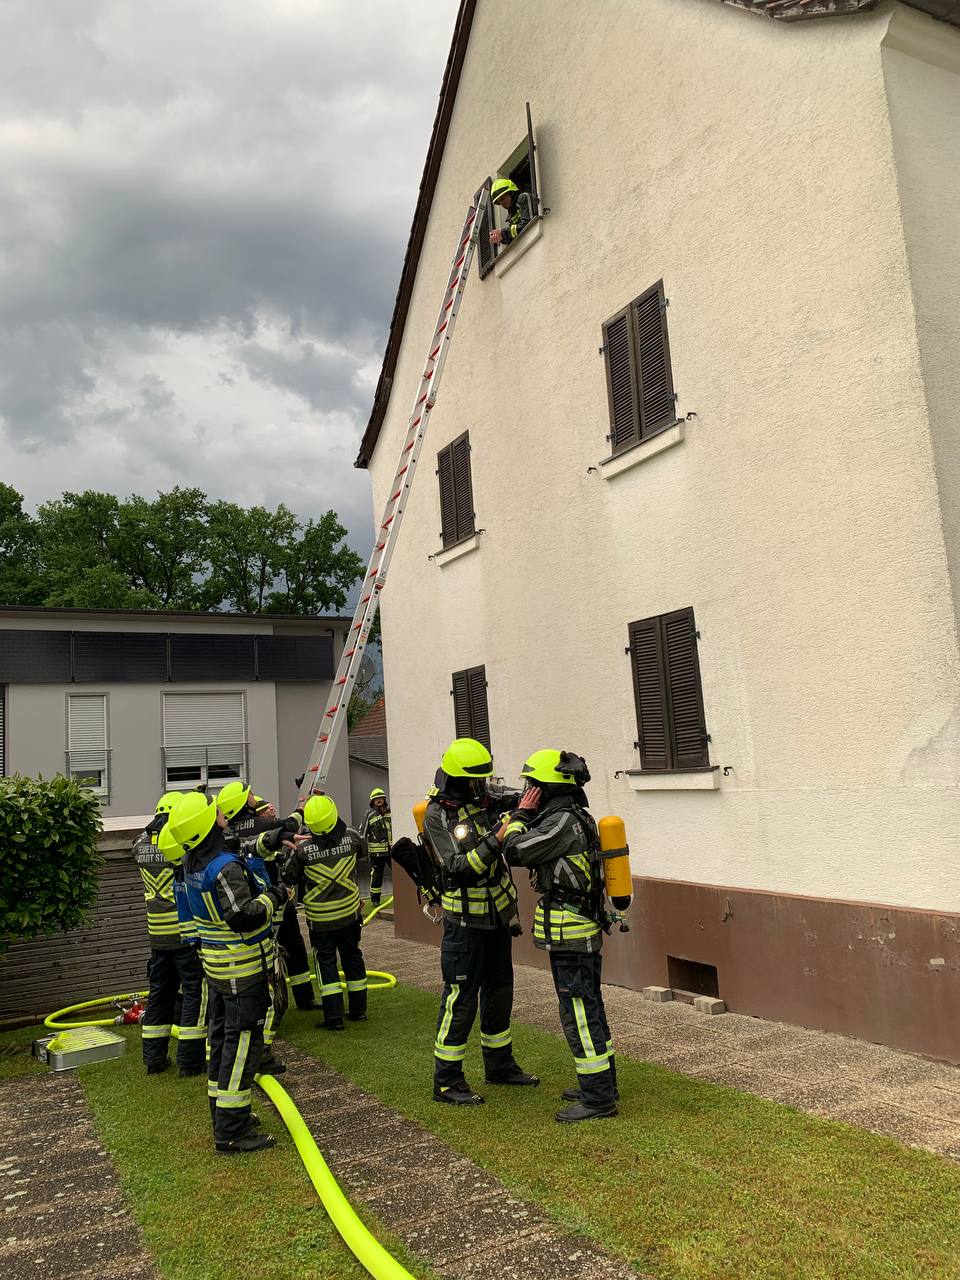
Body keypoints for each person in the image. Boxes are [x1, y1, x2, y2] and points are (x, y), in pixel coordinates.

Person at [502, 750, 619, 1123]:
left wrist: (520, 816)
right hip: (579, 927)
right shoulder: (575, 816)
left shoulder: (561, 822)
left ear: (549, 788)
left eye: (533, 785)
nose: (528, 792)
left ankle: (598, 1098)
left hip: (572, 931)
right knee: (589, 1006)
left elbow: (514, 851)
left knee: (578, 1012)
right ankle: (602, 1084)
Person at [423, 737, 539, 1106]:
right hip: (464, 923)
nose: (482, 786)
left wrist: (528, 800)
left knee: (500, 989)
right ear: (458, 781)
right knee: (460, 998)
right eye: (475, 781)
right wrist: (499, 835)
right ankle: (447, 1081)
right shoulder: (437, 815)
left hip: (497, 917)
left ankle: (499, 1066)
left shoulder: (483, 799)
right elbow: (458, 866)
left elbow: (511, 802)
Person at [173, 790, 289, 1155]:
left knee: (223, 1044)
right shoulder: (222, 867)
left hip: (219, 970)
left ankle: (225, 1113)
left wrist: (274, 835)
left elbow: (244, 847)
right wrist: (276, 895)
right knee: (242, 1047)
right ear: (208, 825)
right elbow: (242, 915)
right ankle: (232, 1130)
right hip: (242, 970)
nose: (222, 812)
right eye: (216, 811)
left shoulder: (192, 862)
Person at [269, 795, 368, 1031]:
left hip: (321, 919)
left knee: (326, 963)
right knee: (353, 957)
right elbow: (362, 855)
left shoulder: (302, 849)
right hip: (350, 913)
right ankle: (358, 1011)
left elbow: (288, 876)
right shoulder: (353, 836)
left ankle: (333, 1018)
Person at [218, 781, 316, 1013]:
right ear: (243, 802)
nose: (253, 796)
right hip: (276, 895)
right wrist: (302, 809)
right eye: (250, 794)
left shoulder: (225, 834)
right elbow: (289, 825)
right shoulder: (264, 824)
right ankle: (304, 999)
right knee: (294, 946)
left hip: (252, 903)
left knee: (262, 954)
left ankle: (265, 1004)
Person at [131, 792, 206, 1078]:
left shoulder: (140, 844)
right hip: (183, 931)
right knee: (193, 992)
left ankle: (154, 1058)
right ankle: (190, 1060)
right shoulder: (177, 845)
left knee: (160, 994)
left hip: (157, 934)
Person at [362, 787, 392, 909]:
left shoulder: (390, 812)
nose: (379, 800)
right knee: (377, 876)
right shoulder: (369, 814)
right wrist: (364, 853)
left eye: (381, 798)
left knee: (399, 872)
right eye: (376, 799)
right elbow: (362, 834)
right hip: (377, 853)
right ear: (372, 801)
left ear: (384, 799)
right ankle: (375, 900)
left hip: (391, 851)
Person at [488, 177, 533, 254]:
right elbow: (514, 235)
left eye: (503, 197)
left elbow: (527, 224)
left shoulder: (523, 198)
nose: (503, 202)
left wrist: (502, 232)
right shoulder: (511, 215)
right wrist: (501, 238)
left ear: (511, 193)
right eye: (500, 201)